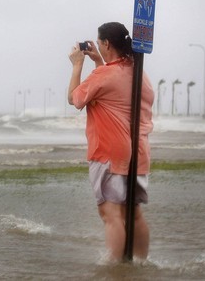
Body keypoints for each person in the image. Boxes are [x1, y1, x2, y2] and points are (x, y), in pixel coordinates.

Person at [68, 22, 154, 263]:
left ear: (106, 44)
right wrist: (99, 63)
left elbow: (74, 98)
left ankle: (117, 269)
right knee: (134, 213)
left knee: (110, 213)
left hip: (110, 152)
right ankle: (140, 263)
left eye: (100, 42)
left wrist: (77, 65)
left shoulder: (104, 75)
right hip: (139, 151)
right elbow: (113, 90)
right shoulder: (138, 72)